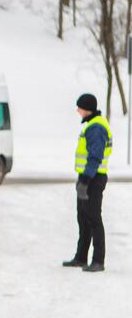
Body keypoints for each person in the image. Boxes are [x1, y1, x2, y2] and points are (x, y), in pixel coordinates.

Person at [63, 93, 112, 273]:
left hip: (93, 179)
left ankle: (98, 260)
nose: (77, 110)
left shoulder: (97, 127)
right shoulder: (92, 124)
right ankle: (81, 257)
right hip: (87, 177)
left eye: (79, 107)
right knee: (83, 218)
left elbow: (95, 156)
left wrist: (85, 179)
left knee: (93, 218)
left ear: (87, 109)